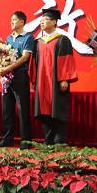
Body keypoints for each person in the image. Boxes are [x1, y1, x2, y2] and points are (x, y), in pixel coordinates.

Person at [30, 9, 78, 146]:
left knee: (58, 109)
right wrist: (34, 80)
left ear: (54, 22)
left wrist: (64, 79)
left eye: (45, 20)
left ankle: (59, 140)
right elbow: (34, 63)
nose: (42, 22)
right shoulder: (37, 42)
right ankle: (48, 139)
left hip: (57, 82)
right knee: (43, 110)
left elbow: (66, 60)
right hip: (42, 82)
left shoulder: (62, 40)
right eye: (41, 20)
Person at [0, 11, 34, 149]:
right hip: (7, 77)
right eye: (11, 20)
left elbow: (24, 58)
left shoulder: (28, 37)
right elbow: (4, 57)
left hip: (20, 76)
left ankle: (26, 140)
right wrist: (0, 67)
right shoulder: (9, 38)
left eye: (14, 20)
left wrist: (8, 68)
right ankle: (7, 138)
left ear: (22, 22)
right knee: (7, 108)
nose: (11, 22)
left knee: (23, 109)